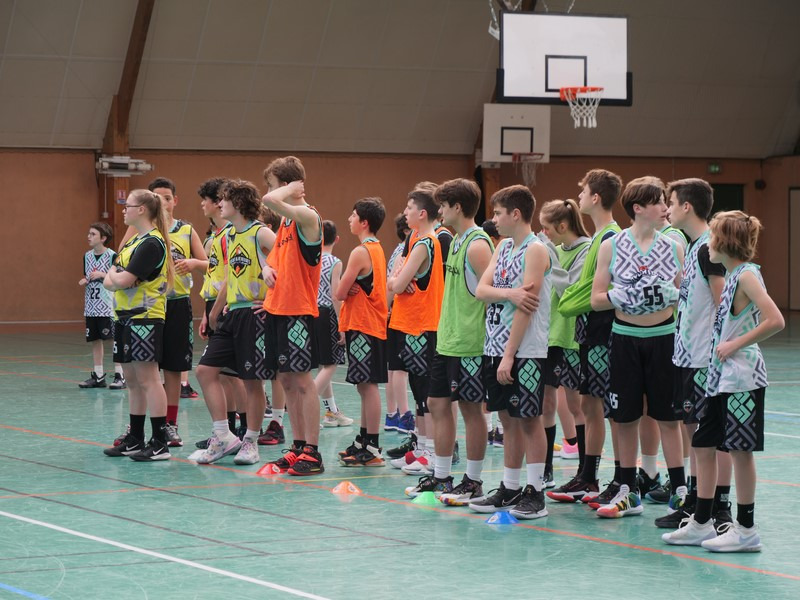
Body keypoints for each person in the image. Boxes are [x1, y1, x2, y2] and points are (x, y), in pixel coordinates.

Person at [663, 210, 784, 551]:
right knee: (703, 443)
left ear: (727, 243)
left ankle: (746, 530)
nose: (709, 245)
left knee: (740, 452)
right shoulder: (732, 275)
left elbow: (775, 320)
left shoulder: (747, 276)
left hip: (742, 378)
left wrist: (735, 343)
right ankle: (701, 522)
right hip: (720, 378)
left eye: (714, 239)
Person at [590, 176, 686, 519]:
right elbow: (596, 299)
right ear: (638, 208)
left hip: (664, 337)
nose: (665, 207)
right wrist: (626, 295)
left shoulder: (673, 246)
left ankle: (680, 491)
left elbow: (685, 295)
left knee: (668, 418)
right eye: (658, 201)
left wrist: (671, 294)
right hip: (625, 339)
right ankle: (628, 491)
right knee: (625, 417)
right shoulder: (612, 246)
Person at [404, 178, 494, 502]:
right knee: (436, 404)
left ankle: (473, 481)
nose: (439, 210)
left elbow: (492, 294)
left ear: (457, 207)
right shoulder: (456, 241)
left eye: (443, 205)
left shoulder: (478, 245)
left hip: (470, 342)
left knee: (471, 409)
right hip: (447, 340)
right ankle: (441, 477)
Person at [469, 184, 551, 519]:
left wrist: (509, 354)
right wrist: (509, 293)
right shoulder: (503, 246)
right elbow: (481, 290)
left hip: (524, 350)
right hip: (494, 345)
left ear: (515, 214)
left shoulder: (536, 250)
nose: (494, 219)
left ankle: (536, 492)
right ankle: (510, 487)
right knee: (506, 418)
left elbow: (526, 306)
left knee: (529, 419)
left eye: (499, 213)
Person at [654, 178, 729, 529]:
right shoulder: (694, 246)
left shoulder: (708, 249)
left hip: (703, 359)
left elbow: (723, 303)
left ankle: (716, 507)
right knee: (693, 432)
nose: (667, 209)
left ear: (686, 206)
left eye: (671, 202)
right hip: (686, 356)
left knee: (709, 436)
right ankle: (697, 503)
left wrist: (717, 352)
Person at [549, 169, 623, 503]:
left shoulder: (610, 238)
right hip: (588, 332)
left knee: (606, 408)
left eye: (583, 191)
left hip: (603, 333)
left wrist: (569, 300)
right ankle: (587, 477)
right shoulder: (598, 237)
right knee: (590, 405)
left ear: (596, 197)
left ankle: (617, 478)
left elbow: (595, 292)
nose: (578, 196)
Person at [194, 180, 276, 465]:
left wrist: (271, 301)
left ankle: (251, 441)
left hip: (255, 315)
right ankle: (223, 436)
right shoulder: (229, 234)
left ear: (238, 203)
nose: (220, 204)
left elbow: (290, 265)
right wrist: (214, 312)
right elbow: (231, 275)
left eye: (225, 199)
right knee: (205, 371)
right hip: (232, 313)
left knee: (252, 382)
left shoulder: (261, 233)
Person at [260, 156, 325, 476]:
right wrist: (266, 270)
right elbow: (271, 260)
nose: (270, 191)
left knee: (301, 380)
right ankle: (297, 446)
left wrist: (285, 190)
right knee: (285, 379)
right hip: (276, 308)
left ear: (286, 186)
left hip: (297, 310)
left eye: (273, 183)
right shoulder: (285, 224)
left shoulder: (307, 216)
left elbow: (269, 200)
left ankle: (312, 451)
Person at [102, 190, 174, 461]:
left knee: (148, 379)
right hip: (124, 317)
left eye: (127, 205)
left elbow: (119, 279)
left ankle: (160, 442)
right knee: (132, 380)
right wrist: (115, 275)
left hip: (145, 317)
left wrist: (114, 274)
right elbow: (112, 279)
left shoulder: (152, 243)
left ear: (141, 209)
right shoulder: (134, 241)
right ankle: (135, 438)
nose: (123, 209)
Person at [386, 183, 445, 476]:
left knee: (425, 393)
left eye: (409, 208)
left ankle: (431, 452)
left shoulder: (425, 244)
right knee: (418, 390)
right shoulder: (416, 240)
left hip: (422, 326)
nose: (405, 212)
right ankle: (421, 448)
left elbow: (396, 283)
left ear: (422, 213)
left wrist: (398, 276)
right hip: (410, 325)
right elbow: (396, 278)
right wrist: (398, 275)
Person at [191, 177, 248, 451]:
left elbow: (230, 276)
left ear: (217, 202)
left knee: (233, 375)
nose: (202, 205)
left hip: (227, 306)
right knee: (223, 374)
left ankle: (246, 429)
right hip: (214, 303)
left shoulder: (230, 235)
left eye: (205, 200)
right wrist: (206, 312)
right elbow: (214, 275)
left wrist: (216, 309)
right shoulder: (214, 235)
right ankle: (230, 429)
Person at [537, 200, 591, 486]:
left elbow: (570, 291)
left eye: (546, 228)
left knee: (576, 404)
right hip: (548, 337)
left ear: (562, 226)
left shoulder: (586, 250)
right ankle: (545, 469)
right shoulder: (554, 249)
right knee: (546, 403)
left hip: (572, 338)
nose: (543, 233)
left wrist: (551, 257)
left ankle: (585, 470)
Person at [336, 198, 390, 467]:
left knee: (368, 386)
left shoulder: (360, 252)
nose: (349, 219)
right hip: (369, 323)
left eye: (353, 215)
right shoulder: (377, 249)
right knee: (364, 385)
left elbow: (339, 292)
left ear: (364, 222)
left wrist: (347, 287)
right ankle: (364, 440)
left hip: (364, 324)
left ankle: (373, 446)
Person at [314, 220, 353, 428]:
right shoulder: (334, 262)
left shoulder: (310, 258)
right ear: (336, 239)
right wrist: (341, 322)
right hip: (326, 313)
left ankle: (331, 412)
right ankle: (308, 403)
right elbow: (336, 295)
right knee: (331, 365)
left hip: (309, 313)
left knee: (323, 365)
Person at [78, 222, 125, 390]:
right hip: (91, 306)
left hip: (107, 306)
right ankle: (98, 376)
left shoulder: (113, 256)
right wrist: (86, 280)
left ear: (103, 238)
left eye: (93, 234)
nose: (89, 237)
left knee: (114, 339)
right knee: (95, 340)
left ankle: (120, 375)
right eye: (89, 233)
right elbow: (88, 275)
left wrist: (102, 275)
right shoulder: (87, 256)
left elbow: (120, 279)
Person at [384, 214, 414, 435]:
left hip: (394, 313)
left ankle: (392, 414)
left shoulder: (403, 250)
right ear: (405, 231)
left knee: (394, 368)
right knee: (399, 368)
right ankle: (404, 415)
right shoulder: (404, 252)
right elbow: (393, 285)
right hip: (399, 313)